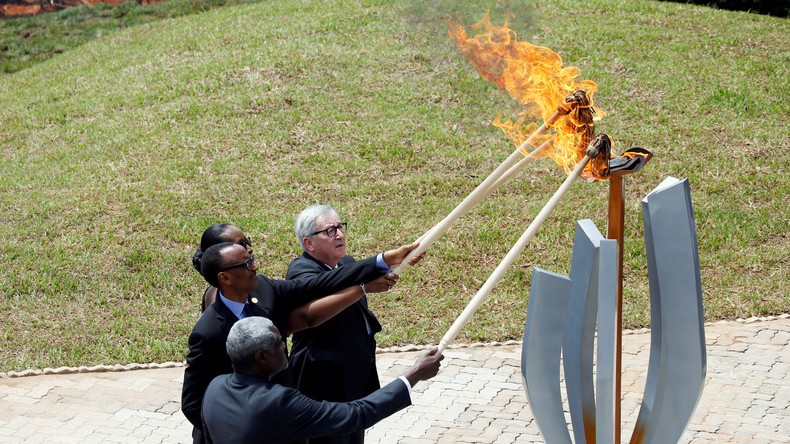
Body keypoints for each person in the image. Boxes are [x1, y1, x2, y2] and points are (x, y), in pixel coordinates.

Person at [183, 235, 419, 444]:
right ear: (225, 278)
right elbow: (193, 403)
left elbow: (318, 284)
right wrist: (241, 427)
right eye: (246, 264)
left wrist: (384, 260)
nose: (255, 266)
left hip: (287, 420)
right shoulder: (208, 332)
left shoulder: (264, 290)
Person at [201, 316, 444, 444]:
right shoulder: (279, 402)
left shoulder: (215, 388)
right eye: (278, 344)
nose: (285, 347)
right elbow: (356, 414)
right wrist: (414, 375)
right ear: (261, 357)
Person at [285, 205, 393, 444]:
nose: (340, 234)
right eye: (330, 231)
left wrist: (394, 265)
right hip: (324, 380)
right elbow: (323, 296)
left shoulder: (347, 263)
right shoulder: (301, 272)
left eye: (340, 227)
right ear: (309, 243)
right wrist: (363, 285)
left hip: (354, 375)